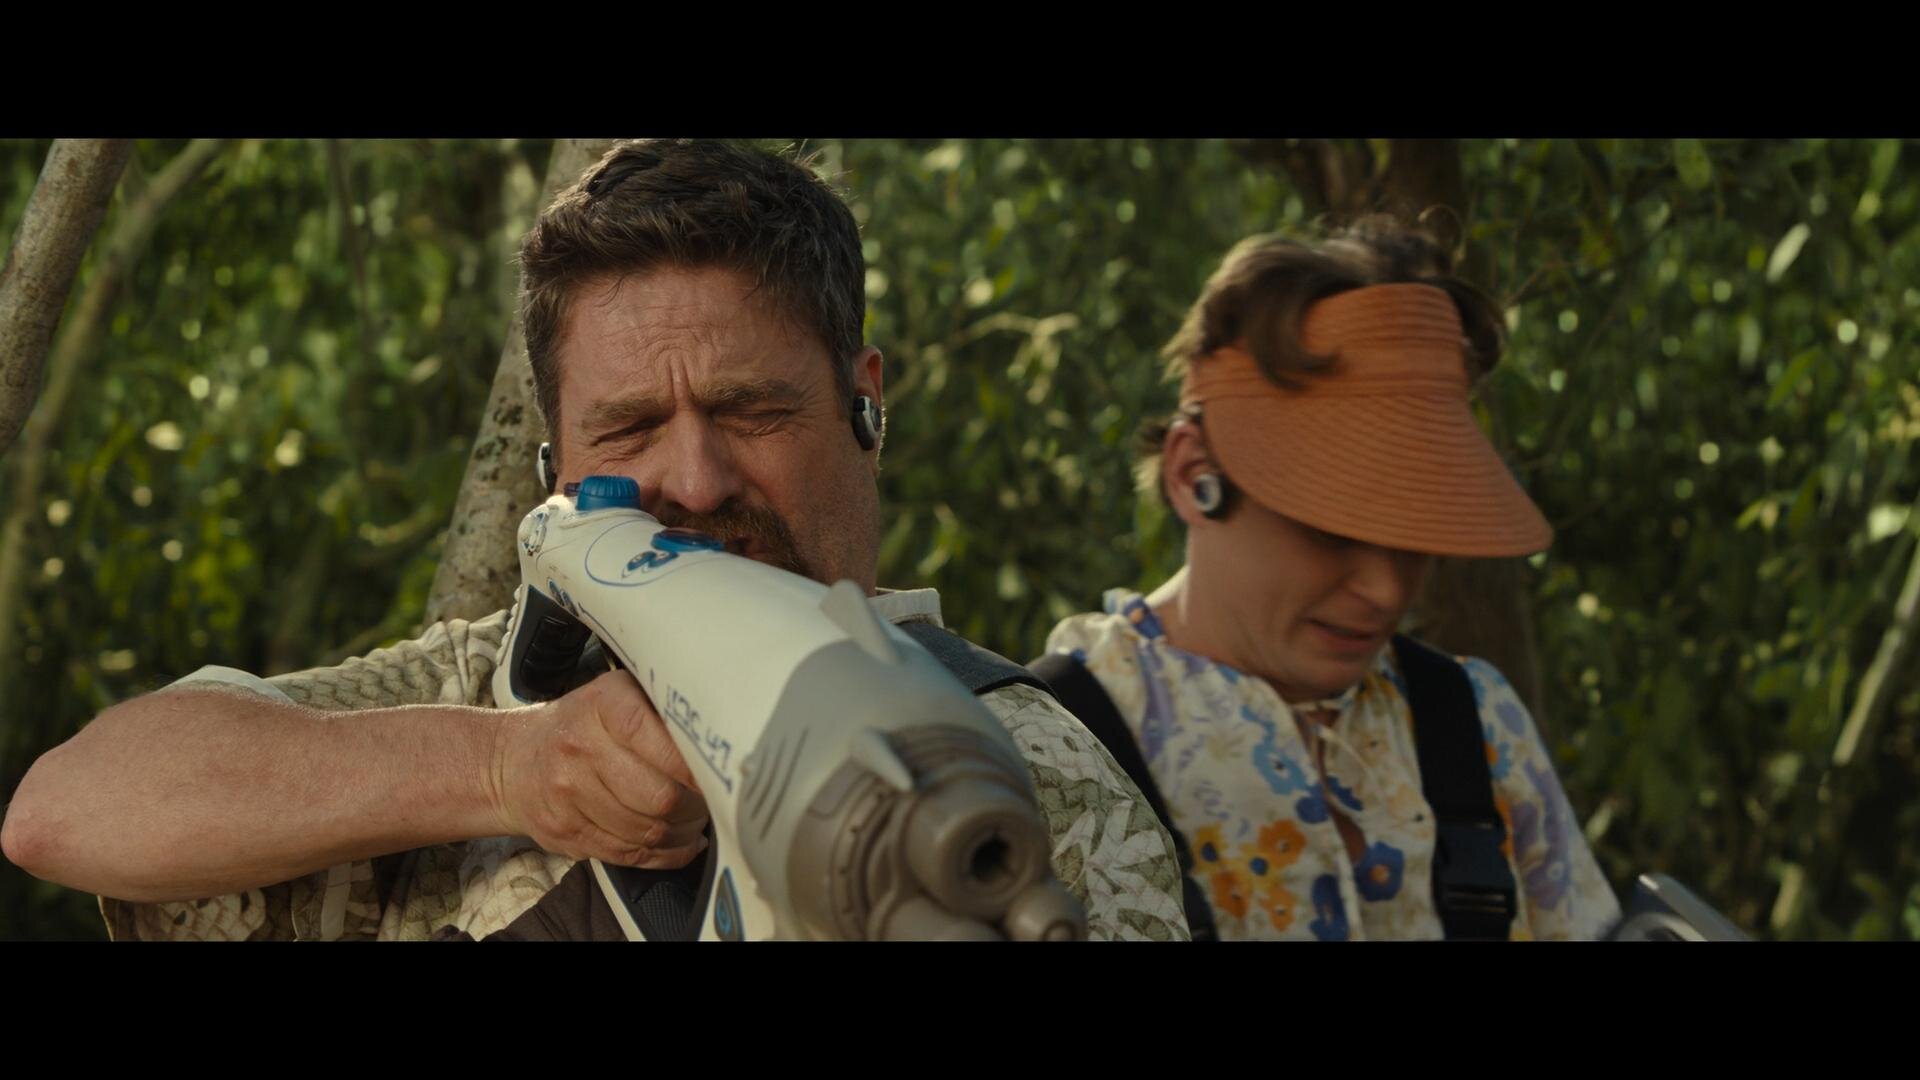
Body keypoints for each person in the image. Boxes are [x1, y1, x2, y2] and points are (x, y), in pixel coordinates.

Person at [1, 139, 1189, 942]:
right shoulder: (481, 690)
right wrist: (503, 772)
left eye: (752, 410)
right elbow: (65, 811)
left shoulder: (1026, 772)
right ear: (556, 468)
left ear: (865, 405)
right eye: (628, 429)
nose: (695, 478)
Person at [1036, 218, 1621, 940]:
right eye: (1333, 531)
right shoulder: (1058, 750)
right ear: (1194, 476)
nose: (1386, 591)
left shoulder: (1473, 726)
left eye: (1415, 533)